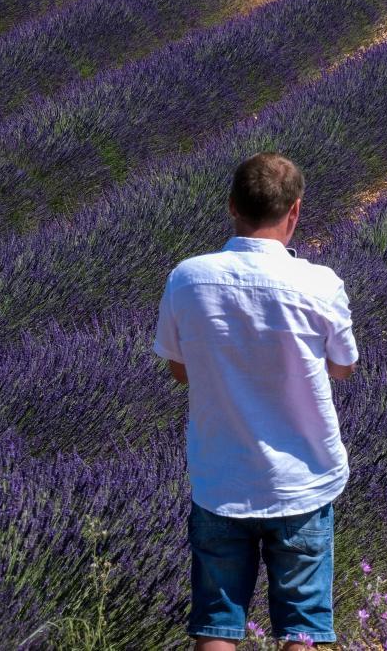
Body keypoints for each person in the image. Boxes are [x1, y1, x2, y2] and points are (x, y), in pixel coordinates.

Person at [153, 152, 358, 650]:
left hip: (221, 475)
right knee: (305, 627)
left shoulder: (188, 277)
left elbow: (179, 369)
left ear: (232, 206)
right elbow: (343, 365)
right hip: (302, 479)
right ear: (295, 212)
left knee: (217, 624)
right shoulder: (319, 283)